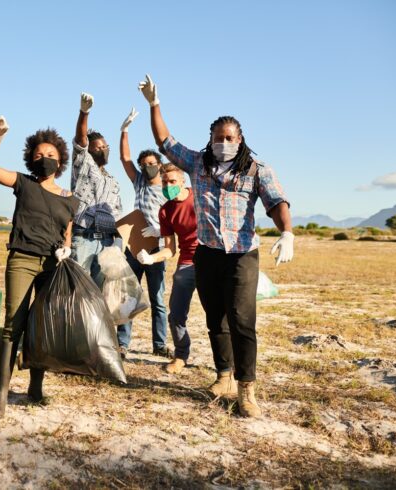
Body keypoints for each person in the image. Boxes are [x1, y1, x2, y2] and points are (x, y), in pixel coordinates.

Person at [139, 74, 294, 417]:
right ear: (210, 139)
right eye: (218, 137)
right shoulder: (197, 164)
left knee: (241, 319)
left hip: (242, 255)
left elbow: (277, 201)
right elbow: (165, 141)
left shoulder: (256, 168)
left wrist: (287, 232)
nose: (224, 141)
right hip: (207, 255)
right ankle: (223, 375)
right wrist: (154, 104)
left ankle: (246, 389)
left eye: (230, 137)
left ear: (240, 140)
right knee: (215, 319)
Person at [0, 115, 79, 418]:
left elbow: (68, 233)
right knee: (13, 325)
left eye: (51, 155)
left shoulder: (70, 199)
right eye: (39, 155)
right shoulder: (23, 183)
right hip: (22, 259)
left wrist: (67, 248)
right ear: (30, 159)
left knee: (42, 328)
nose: (45, 159)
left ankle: (36, 387)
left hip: (53, 264)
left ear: (61, 160)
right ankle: (1, 395)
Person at [114, 107, 170, 358]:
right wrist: (124, 130)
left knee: (158, 300)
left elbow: (176, 219)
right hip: (134, 247)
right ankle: (122, 344)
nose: (147, 168)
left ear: (159, 164)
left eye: (151, 164)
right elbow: (125, 159)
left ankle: (159, 345)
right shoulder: (138, 181)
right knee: (128, 296)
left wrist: (161, 231)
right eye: (144, 164)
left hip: (157, 248)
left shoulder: (169, 188)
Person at [70, 92, 123, 286]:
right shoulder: (83, 165)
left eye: (106, 146)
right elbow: (80, 140)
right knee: (80, 290)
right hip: (84, 238)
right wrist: (84, 112)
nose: (104, 150)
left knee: (101, 293)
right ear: (90, 150)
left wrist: (118, 240)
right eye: (98, 147)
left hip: (107, 242)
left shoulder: (112, 180)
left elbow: (117, 212)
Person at [157, 163, 199, 373]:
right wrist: (151, 258)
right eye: (164, 182)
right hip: (187, 262)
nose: (168, 186)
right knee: (176, 314)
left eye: (172, 181)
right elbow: (169, 249)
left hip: (211, 260)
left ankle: (229, 363)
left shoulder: (199, 196)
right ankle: (181, 355)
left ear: (183, 181)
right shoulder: (165, 211)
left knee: (219, 314)